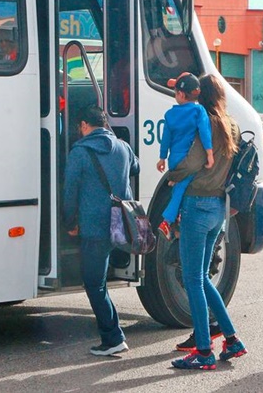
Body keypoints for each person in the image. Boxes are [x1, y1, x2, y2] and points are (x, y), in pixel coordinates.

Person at [167, 74, 246, 370]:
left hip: (197, 205)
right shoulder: (231, 124)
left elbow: (192, 161)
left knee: (192, 279)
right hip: (217, 209)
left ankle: (203, 351)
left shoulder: (206, 123)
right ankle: (232, 339)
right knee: (201, 277)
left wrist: (173, 174)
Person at [62, 105, 140, 356]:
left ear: (85, 125)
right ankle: (113, 335)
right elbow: (136, 168)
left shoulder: (80, 152)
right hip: (119, 224)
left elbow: (70, 192)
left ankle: (113, 337)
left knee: (94, 283)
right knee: (99, 281)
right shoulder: (123, 147)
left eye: (80, 127)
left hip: (94, 227)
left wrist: (69, 222)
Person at [156, 72, 214, 240]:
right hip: (188, 160)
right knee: (181, 189)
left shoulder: (170, 114)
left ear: (181, 94)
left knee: (178, 187)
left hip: (174, 159)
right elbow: (204, 133)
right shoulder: (198, 111)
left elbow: (166, 138)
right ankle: (167, 221)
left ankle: (175, 222)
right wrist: (209, 154)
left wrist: (162, 158)